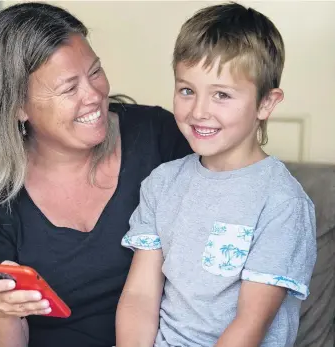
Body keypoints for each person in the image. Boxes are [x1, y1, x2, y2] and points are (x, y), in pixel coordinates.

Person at [0, 2, 192, 347]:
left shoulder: (158, 137)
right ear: (18, 107)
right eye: (68, 89)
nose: (94, 96)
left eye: (94, 72)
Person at [116, 3, 317, 347]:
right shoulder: (162, 184)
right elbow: (139, 297)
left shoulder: (282, 203)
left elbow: (250, 325)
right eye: (187, 90)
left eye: (221, 94)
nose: (198, 111)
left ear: (266, 104)